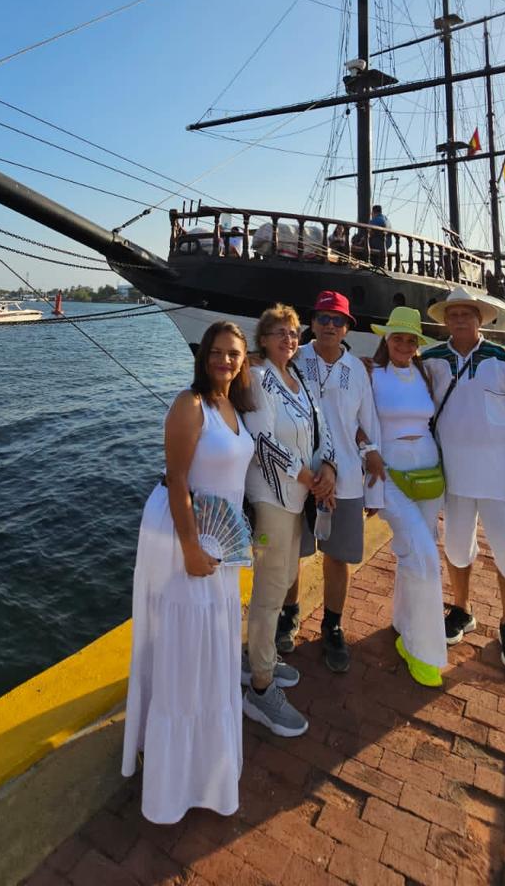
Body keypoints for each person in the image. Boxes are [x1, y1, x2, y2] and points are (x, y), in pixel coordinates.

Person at [122, 321, 256, 823]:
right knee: (184, 649)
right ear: (203, 357)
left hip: (220, 539)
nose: (225, 360)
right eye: (217, 353)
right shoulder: (191, 404)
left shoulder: (233, 405)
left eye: (234, 354)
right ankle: (169, 777)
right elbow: (177, 479)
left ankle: (204, 766)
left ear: (244, 360)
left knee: (210, 647)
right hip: (186, 535)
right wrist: (190, 549)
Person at [421, 286, 505, 673]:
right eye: (453, 314)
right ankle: (462, 609)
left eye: (467, 313)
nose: (460, 319)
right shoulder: (431, 360)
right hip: (454, 478)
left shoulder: (504, 361)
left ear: (480, 318)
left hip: (500, 479)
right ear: (445, 320)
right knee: (457, 549)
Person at [242, 304, 336, 737]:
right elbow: (262, 441)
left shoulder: (300, 383)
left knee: (278, 586)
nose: (288, 339)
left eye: (294, 333)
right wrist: (306, 475)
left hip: (299, 500)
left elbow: (323, 431)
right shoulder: (259, 380)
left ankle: (257, 659)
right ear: (263, 339)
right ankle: (260, 690)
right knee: (268, 589)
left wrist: (327, 471)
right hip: (273, 499)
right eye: (279, 332)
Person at [286, 290, 379, 673]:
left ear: (346, 328)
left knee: (338, 558)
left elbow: (366, 422)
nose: (329, 326)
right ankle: (288, 614)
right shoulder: (293, 357)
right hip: (298, 474)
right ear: (312, 321)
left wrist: (372, 460)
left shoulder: (357, 369)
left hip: (345, 481)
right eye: (323, 318)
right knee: (292, 552)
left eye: (337, 320)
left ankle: (333, 623)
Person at [363, 307, 448, 686]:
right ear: (386, 339)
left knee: (417, 551)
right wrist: (368, 452)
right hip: (391, 474)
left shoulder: (426, 373)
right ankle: (423, 649)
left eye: (410, 339)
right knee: (426, 559)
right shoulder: (370, 374)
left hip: (429, 477)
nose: (403, 345)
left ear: (417, 345)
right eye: (397, 338)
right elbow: (352, 419)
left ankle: (402, 622)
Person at [368, 204, 392, 269]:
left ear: (373, 212)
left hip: (378, 245)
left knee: (363, 243)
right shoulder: (387, 220)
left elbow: (368, 232)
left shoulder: (375, 220)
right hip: (387, 245)